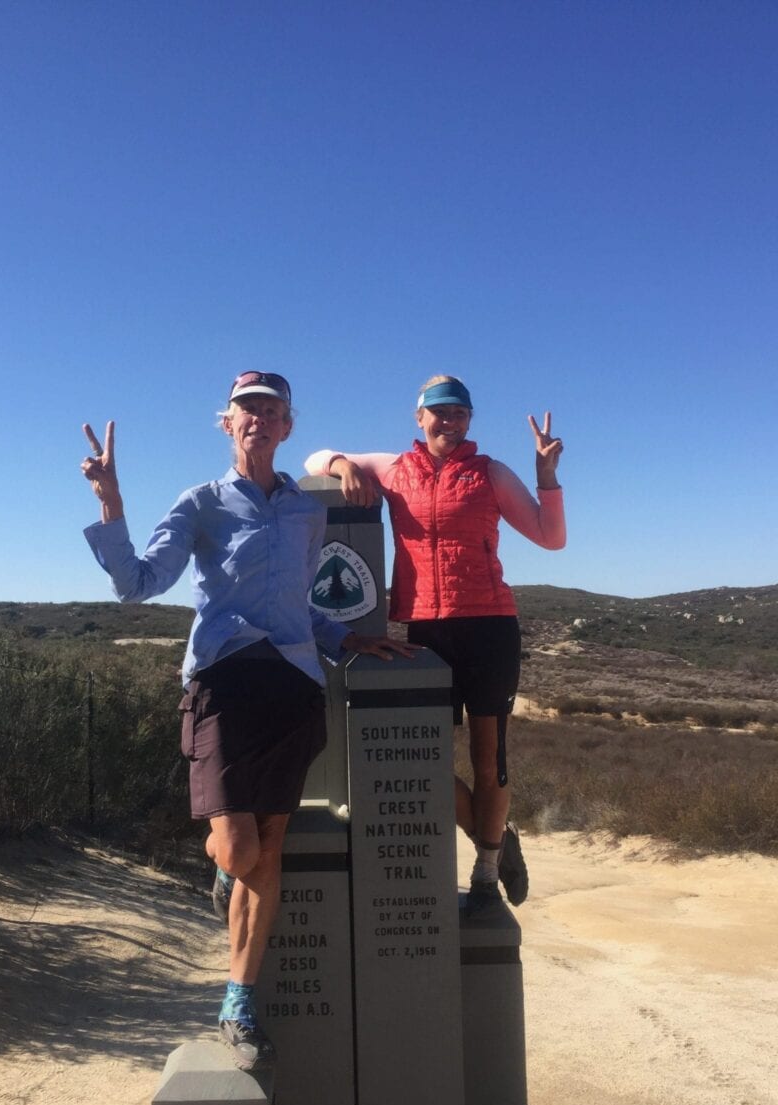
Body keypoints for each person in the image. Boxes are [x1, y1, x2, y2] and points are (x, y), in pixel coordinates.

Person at [81, 371, 412, 1069]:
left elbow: (301, 599)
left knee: (269, 844)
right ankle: (224, 870)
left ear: (287, 426)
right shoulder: (200, 503)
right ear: (225, 424)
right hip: (224, 680)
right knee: (238, 849)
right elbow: (136, 585)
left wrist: (344, 636)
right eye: (245, 409)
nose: (258, 418)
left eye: (271, 409)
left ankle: (238, 1000)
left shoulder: (304, 510)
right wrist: (112, 505)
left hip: (293, 681)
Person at [304, 374, 565, 909]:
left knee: (489, 758)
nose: (450, 422)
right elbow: (314, 457)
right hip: (426, 629)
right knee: (423, 755)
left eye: (460, 414)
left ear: (470, 420)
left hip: (490, 626)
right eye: (439, 412)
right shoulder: (395, 470)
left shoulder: (489, 472)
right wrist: (343, 466)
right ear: (419, 418)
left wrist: (545, 477)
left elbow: (550, 537)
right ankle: (494, 835)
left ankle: (486, 873)